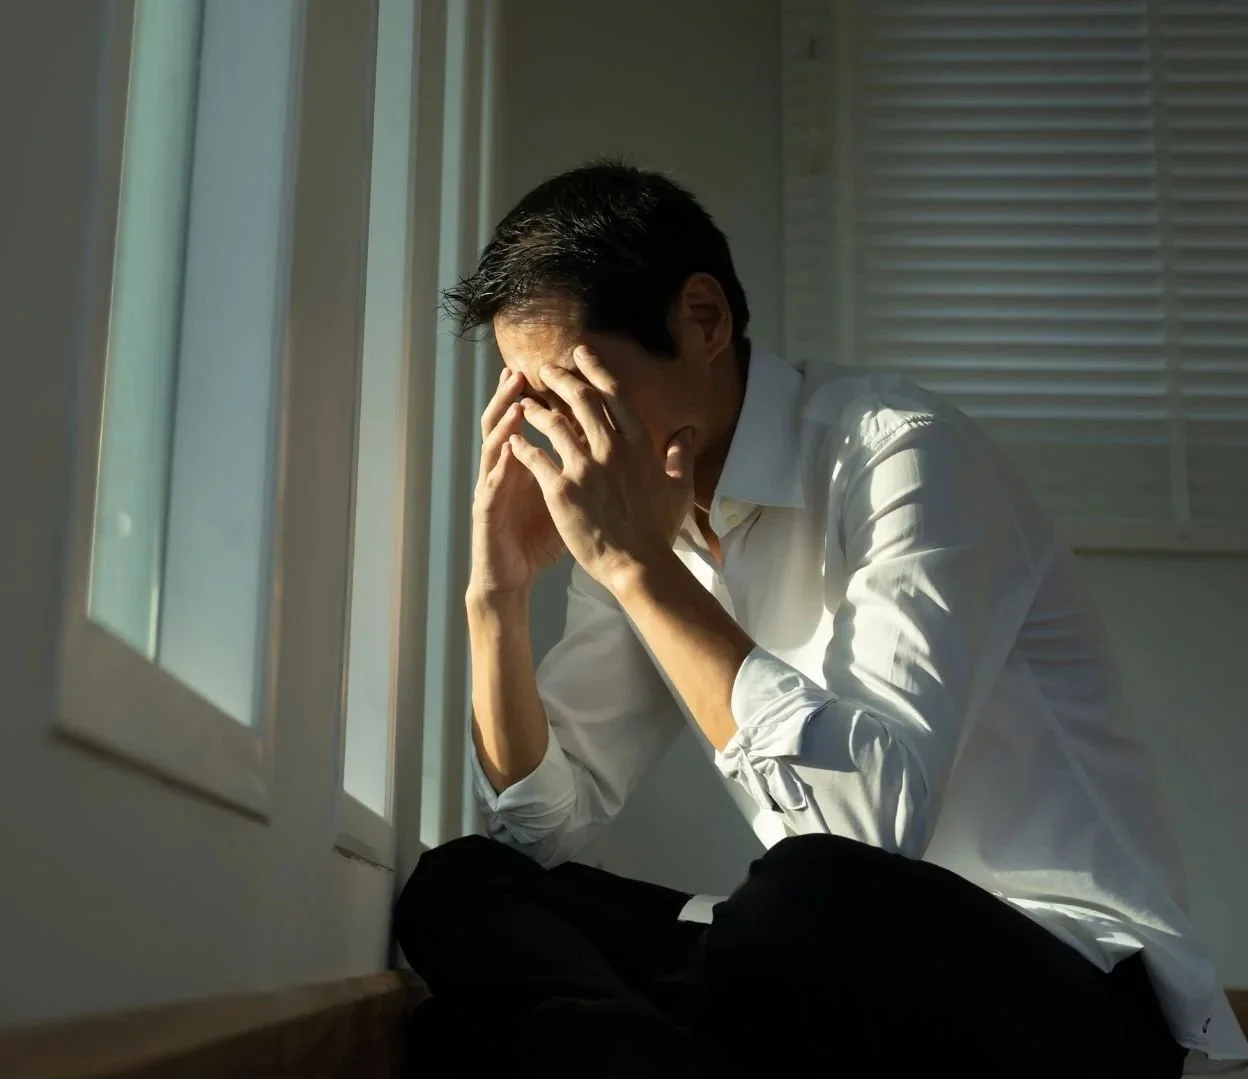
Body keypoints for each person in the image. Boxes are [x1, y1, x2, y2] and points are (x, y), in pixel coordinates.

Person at [393, 160, 1247, 1079]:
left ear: (704, 320)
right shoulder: (644, 517)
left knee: (801, 900)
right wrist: (499, 597)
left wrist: (637, 568)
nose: (559, 435)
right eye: (533, 402)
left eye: (578, 389)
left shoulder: (904, 456)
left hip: (1071, 989)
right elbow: (541, 828)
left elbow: (868, 831)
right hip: (820, 969)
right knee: (462, 886)